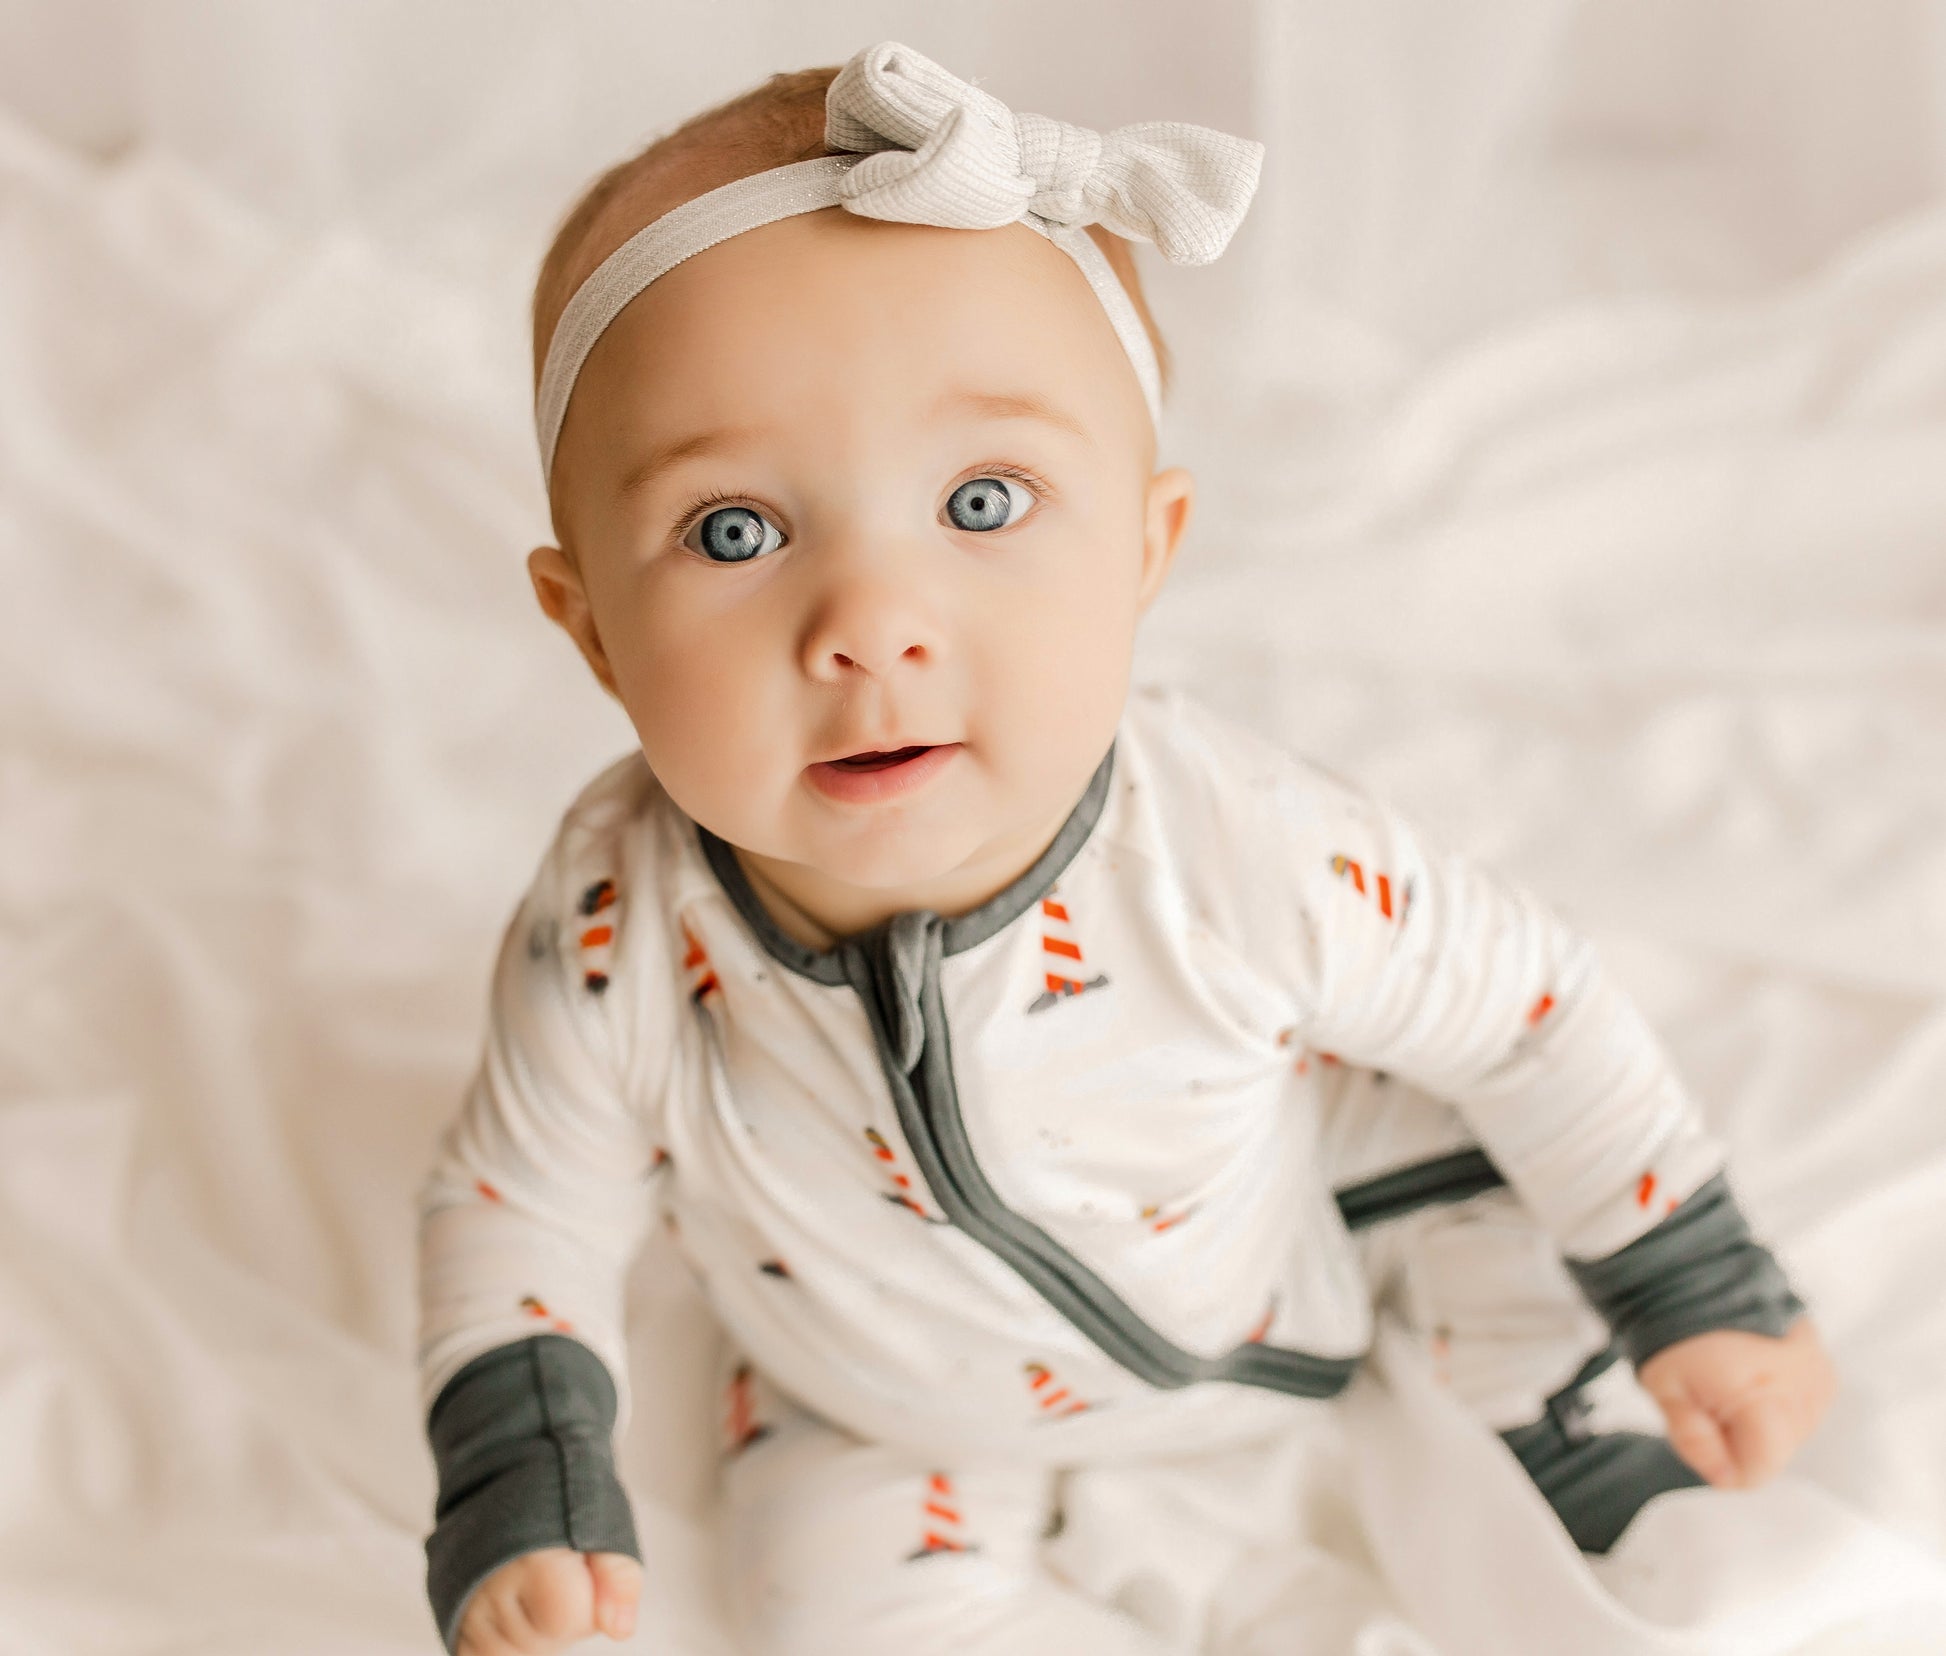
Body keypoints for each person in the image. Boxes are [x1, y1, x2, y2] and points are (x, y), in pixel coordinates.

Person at [414, 41, 1838, 1656]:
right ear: (591, 630)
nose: (871, 627)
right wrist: (521, 1475)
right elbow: (514, 1199)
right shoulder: (615, 919)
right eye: (735, 530)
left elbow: (1524, 1009)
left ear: (1145, 550)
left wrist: (1692, 1283)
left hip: (1316, 1246)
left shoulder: (1232, 847)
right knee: (825, 1616)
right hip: (881, 1399)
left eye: (980, 504)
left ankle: (1562, 1427)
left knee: (1501, 1247)